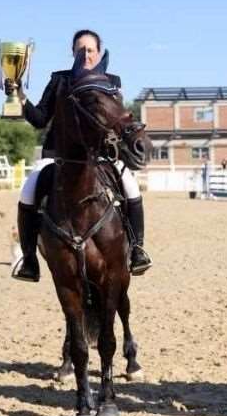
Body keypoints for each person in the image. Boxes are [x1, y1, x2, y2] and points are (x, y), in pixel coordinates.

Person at [9, 29, 151, 282]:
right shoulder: (59, 80)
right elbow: (40, 119)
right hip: (59, 155)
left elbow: (115, 117)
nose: (85, 54)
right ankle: (29, 259)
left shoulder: (112, 81)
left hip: (101, 156)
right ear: (72, 52)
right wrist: (19, 96)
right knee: (29, 189)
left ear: (99, 52)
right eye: (80, 50)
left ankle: (137, 249)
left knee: (130, 186)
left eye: (90, 50)